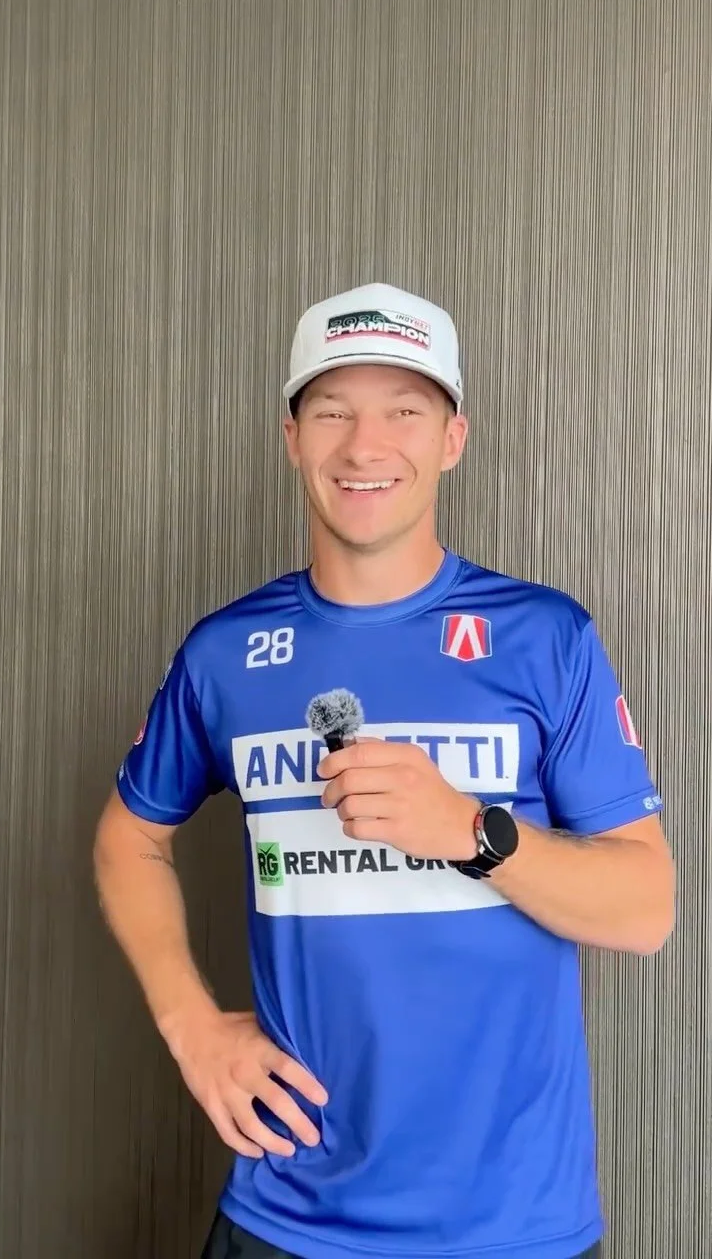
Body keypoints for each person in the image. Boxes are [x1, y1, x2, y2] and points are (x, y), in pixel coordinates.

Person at [94, 282, 675, 1259]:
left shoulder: (545, 637)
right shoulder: (226, 653)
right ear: (292, 438)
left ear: (452, 439)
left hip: (513, 1226)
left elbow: (646, 909)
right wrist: (191, 1024)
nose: (365, 446)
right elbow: (128, 840)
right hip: (287, 1214)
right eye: (333, 412)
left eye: (404, 411)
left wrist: (471, 832)